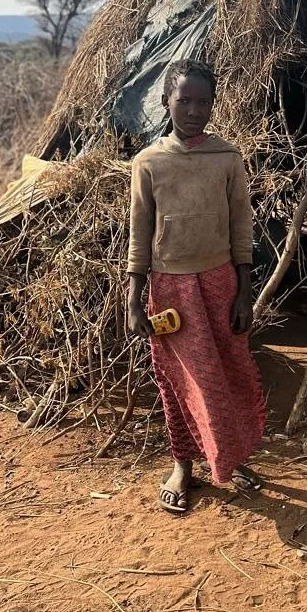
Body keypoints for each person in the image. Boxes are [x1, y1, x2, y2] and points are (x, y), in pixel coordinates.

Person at [126, 57, 266, 513]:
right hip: (171, 291)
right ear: (166, 101)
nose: (193, 110)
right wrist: (133, 299)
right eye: (184, 100)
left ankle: (230, 456)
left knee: (230, 371)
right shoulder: (148, 162)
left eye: (202, 102)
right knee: (180, 381)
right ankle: (183, 465)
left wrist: (244, 292)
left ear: (212, 105)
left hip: (221, 281)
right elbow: (139, 234)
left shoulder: (226, 157)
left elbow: (241, 227)